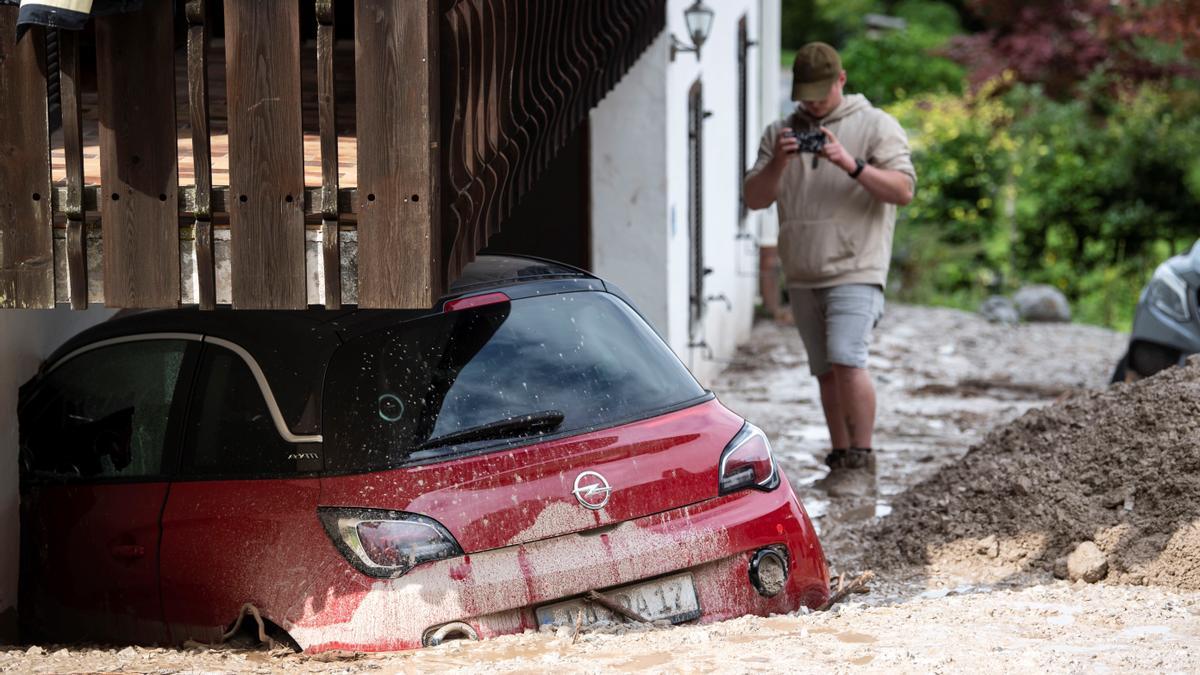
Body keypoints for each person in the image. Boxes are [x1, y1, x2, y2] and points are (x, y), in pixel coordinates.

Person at [743, 42, 915, 471]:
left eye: (821, 93)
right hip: (802, 271)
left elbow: (903, 190)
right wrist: (778, 164)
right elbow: (754, 199)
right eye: (806, 95)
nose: (813, 103)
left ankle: (864, 452)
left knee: (846, 357)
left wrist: (849, 162)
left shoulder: (877, 125)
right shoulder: (779, 131)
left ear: (841, 80)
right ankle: (841, 453)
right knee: (824, 369)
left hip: (857, 266)